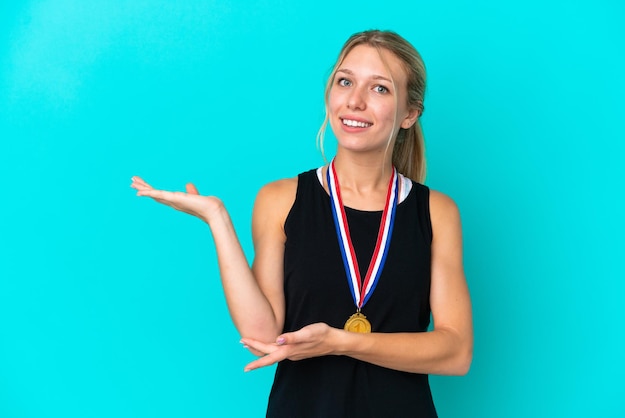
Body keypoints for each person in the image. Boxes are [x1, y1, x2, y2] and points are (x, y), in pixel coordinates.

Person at [131, 29, 472, 417]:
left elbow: (455, 352)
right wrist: (218, 221)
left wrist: (341, 342)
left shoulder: (436, 212)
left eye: (380, 89)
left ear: (409, 113)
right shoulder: (281, 199)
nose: (355, 101)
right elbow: (263, 336)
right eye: (345, 81)